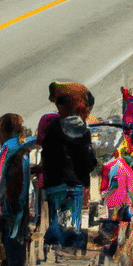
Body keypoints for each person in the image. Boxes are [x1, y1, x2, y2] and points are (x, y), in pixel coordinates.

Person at [39, 87, 96, 250]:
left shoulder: (53, 125)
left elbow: (47, 153)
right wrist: (87, 176)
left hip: (55, 182)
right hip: (75, 182)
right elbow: (87, 158)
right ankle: (68, 244)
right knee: (73, 221)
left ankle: (54, 242)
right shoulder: (83, 130)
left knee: (54, 217)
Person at [0, 113, 38, 266]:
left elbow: (0, 176)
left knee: (11, 240)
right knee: (18, 238)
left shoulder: (7, 148)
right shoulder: (20, 146)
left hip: (13, 201)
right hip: (22, 200)